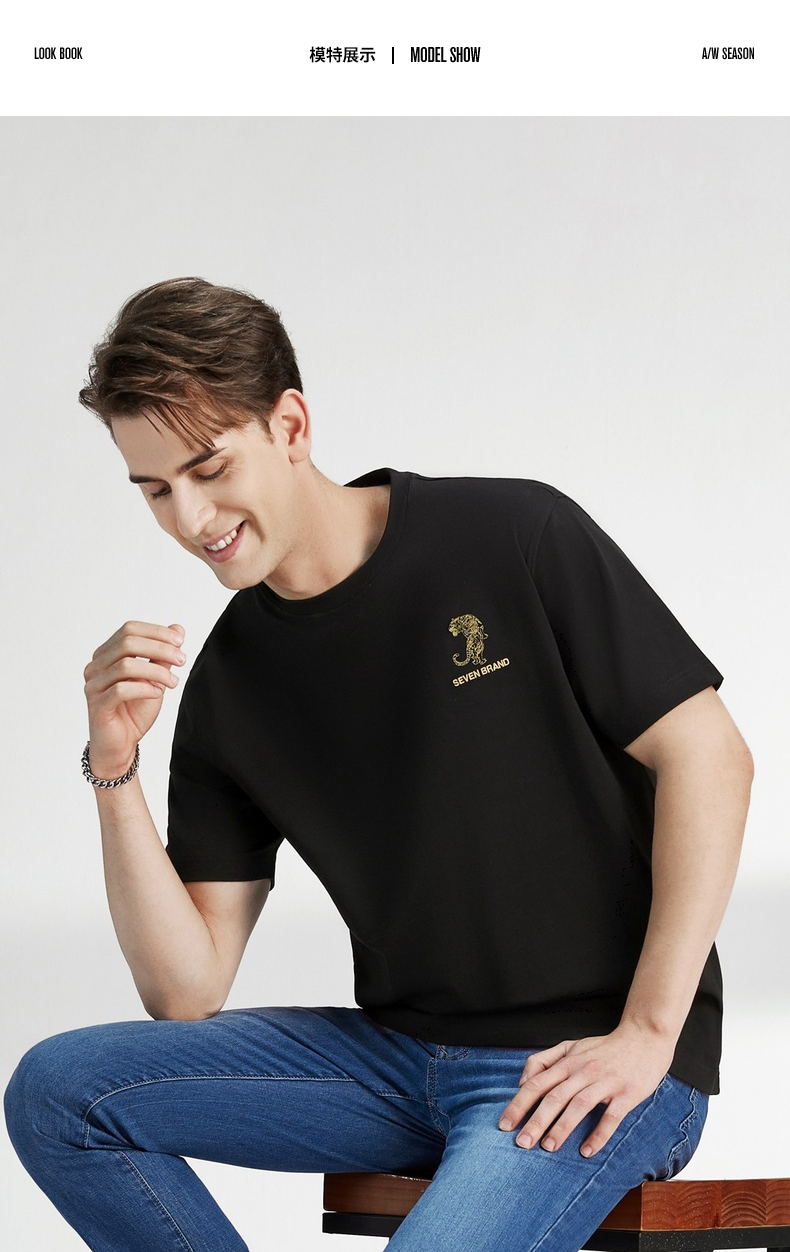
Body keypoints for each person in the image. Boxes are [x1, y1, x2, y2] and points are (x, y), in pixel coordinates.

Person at [5, 278, 753, 1252]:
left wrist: (649, 1033)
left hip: (589, 1057)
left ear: (290, 424)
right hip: (398, 1062)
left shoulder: (508, 535)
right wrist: (114, 766)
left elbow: (710, 756)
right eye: (155, 490)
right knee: (60, 1093)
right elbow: (186, 990)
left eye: (208, 466)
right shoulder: (232, 680)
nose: (190, 516)